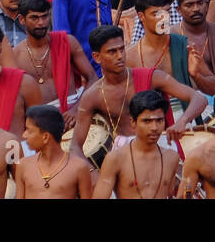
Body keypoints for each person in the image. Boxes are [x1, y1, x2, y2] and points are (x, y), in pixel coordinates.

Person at [69, 25, 203, 155]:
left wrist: (182, 121)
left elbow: (199, 98)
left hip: (161, 149)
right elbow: (75, 146)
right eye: (112, 52)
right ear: (97, 57)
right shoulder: (92, 96)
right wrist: (94, 175)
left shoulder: (152, 77)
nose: (120, 56)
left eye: (121, 49)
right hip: (126, 157)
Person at [13, 0, 95, 124]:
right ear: (22, 20)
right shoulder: (15, 56)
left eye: (45, 16)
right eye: (34, 18)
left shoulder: (67, 42)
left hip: (74, 112)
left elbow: (92, 78)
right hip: (40, 121)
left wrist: (78, 108)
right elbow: (16, 101)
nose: (41, 23)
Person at [92, 90, 181, 198]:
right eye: (147, 121)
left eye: (159, 120)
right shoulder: (115, 159)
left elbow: (170, 193)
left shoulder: (171, 158)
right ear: (133, 122)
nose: (154, 128)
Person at [15, 105, 94, 198]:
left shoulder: (79, 167)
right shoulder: (23, 165)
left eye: (29, 131)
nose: (24, 135)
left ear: (45, 137)